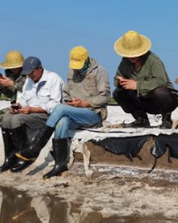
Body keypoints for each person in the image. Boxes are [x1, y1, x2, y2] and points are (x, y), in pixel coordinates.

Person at [15, 46, 110, 178]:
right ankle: (60, 164)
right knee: (62, 122)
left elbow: (105, 97)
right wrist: (70, 102)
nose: (76, 69)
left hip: (93, 114)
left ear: (86, 61)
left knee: (59, 108)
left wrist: (85, 103)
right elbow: (66, 93)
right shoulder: (72, 72)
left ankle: (36, 146)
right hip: (75, 112)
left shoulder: (100, 71)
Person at [0, 56, 63, 172]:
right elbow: (23, 99)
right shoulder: (29, 80)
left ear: (39, 68)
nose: (30, 76)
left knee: (16, 120)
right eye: (27, 74)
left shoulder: (53, 78)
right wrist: (18, 106)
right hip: (29, 112)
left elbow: (55, 104)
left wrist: (33, 110)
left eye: (31, 73)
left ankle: (25, 156)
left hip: (45, 114)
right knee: (6, 119)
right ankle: (10, 157)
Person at [113, 30, 178, 129]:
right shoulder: (125, 62)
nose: (131, 56)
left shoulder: (153, 60)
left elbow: (161, 81)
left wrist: (137, 85)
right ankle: (141, 119)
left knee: (160, 92)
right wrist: (121, 82)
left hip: (163, 101)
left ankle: (166, 119)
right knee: (118, 93)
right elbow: (117, 78)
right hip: (143, 100)